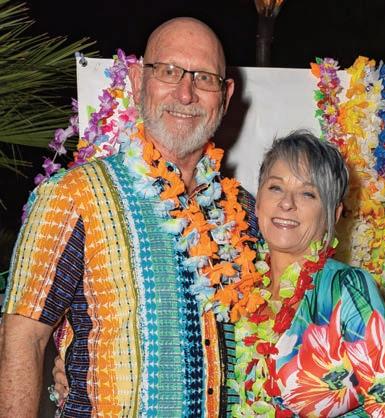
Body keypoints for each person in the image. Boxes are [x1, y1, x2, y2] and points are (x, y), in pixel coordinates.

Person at [0, 17, 259, 417]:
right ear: (138, 81)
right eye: (168, 71)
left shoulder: (245, 210)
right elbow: (23, 338)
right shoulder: (73, 194)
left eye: (204, 78)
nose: (185, 93)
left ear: (225, 96)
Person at [229, 130, 385, 416]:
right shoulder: (236, 285)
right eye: (275, 187)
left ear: (332, 215)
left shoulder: (346, 289)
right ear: (257, 202)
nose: (287, 203)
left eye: (308, 193)